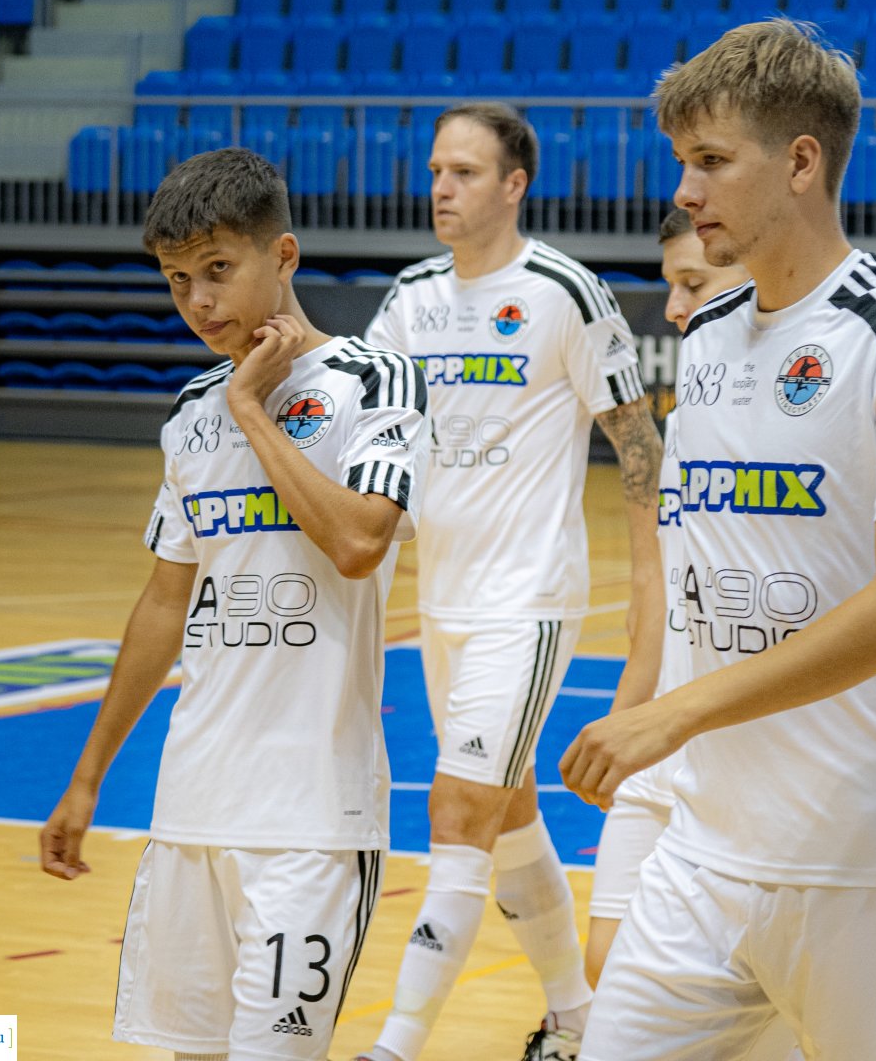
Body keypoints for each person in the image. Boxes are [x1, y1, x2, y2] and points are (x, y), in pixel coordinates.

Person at [559, 18, 876, 1059]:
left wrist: (673, 714)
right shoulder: (705, 333)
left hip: (864, 860)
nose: (684, 192)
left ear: (801, 162)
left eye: (709, 161)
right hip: (704, 854)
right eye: (681, 163)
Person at [39, 149, 428, 1061]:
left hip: (312, 824)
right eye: (179, 282)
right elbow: (164, 600)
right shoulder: (190, 411)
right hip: (191, 809)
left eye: (219, 270)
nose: (200, 303)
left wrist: (255, 408)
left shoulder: (372, 383)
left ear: (282, 255)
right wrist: (89, 775)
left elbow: (360, 543)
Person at [358, 104, 662, 1061]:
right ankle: (575, 1013)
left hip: (527, 603)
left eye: (463, 172)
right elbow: (364, 419)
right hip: (438, 602)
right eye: (436, 170)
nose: (441, 188)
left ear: (514, 184)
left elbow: (636, 442)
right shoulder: (409, 299)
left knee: (456, 810)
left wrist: (651, 581)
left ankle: (394, 1046)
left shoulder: (564, 291)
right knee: (509, 806)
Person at [581, 210, 801, 1061]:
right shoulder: (686, 418)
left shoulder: (812, 408)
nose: (673, 308)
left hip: (760, 749)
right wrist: (629, 713)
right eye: (671, 285)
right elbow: (656, 582)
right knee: (612, 964)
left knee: (769, 994)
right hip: (665, 739)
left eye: (694, 285)